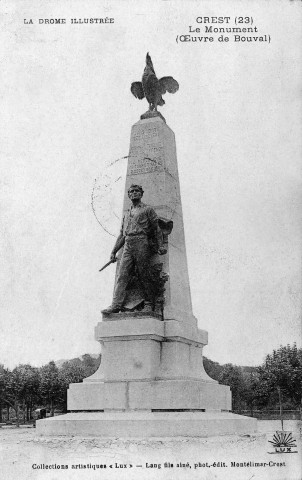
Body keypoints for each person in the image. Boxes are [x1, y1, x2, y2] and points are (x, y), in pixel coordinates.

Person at [102, 184, 166, 314]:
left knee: (144, 274)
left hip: (141, 242)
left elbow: (156, 229)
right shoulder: (127, 213)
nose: (134, 193)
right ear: (129, 195)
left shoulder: (148, 210)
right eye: (131, 191)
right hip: (128, 244)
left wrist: (160, 245)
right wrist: (113, 251)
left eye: (137, 191)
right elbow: (122, 234)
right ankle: (116, 304)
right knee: (122, 275)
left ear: (141, 194)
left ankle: (148, 303)